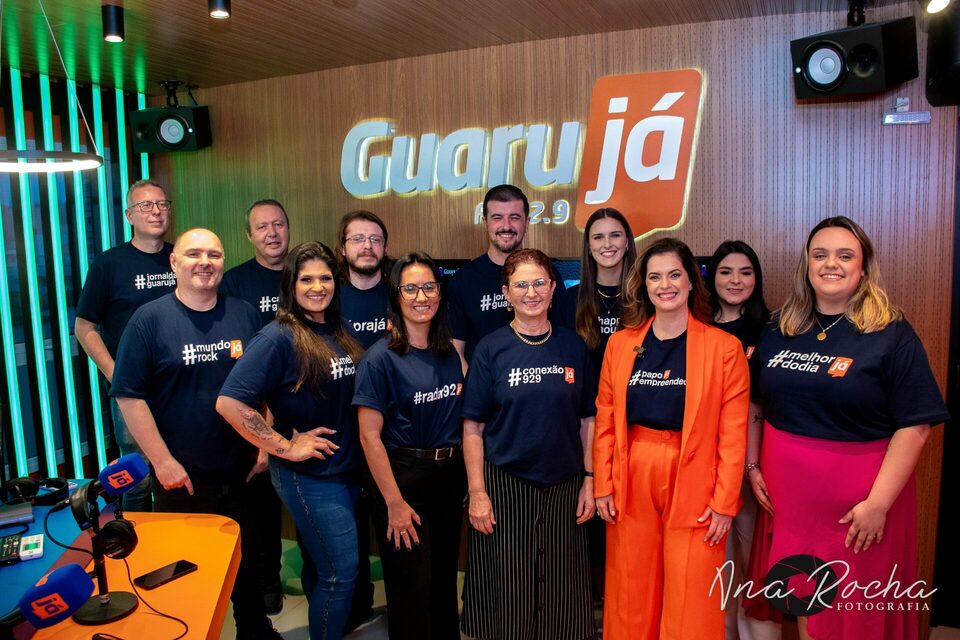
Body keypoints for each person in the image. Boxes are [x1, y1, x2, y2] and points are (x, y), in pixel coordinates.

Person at [747, 217, 948, 640]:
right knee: (807, 605)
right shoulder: (781, 327)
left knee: (857, 614)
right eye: (820, 255)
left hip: (860, 512)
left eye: (844, 255)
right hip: (792, 507)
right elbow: (757, 404)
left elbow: (916, 426)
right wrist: (752, 466)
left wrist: (877, 505)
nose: (830, 264)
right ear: (807, 264)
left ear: (863, 267)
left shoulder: (891, 333)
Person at [111, 228, 280, 640]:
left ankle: (255, 630)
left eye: (214, 254)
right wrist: (162, 462)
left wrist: (266, 443)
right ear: (174, 263)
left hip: (244, 471)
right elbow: (129, 397)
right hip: (182, 478)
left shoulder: (243, 313)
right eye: (194, 253)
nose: (205, 262)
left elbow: (268, 384)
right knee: (183, 575)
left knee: (248, 561)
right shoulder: (149, 320)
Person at [594, 237, 750, 640]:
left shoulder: (724, 349)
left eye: (674, 275)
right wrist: (602, 483)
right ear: (643, 285)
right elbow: (607, 418)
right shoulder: (621, 344)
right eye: (655, 277)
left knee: (692, 594)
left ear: (692, 282)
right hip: (632, 472)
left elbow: (733, 434)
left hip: (696, 477)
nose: (665, 285)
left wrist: (724, 503)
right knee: (631, 589)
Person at [217, 241, 365, 640]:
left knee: (322, 568)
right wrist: (284, 446)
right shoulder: (278, 336)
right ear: (291, 285)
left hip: (345, 471)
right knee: (341, 573)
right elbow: (230, 402)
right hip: (310, 477)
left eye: (325, 277)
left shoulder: (335, 328)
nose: (318, 286)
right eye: (306, 279)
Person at [460, 248, 595, 640]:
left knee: (562, 582)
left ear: (554, 289)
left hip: (565, 484)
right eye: (521, 284)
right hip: (505, 484)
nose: (531, 292)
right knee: (510, 583)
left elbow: (588, 420)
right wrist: (477, 492)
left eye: (539, 283)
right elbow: (473, 427)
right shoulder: (490, 349)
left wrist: (590, 479)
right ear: (506, 293)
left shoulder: (573, 347)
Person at [353, 252, 466, 640]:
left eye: (429, 287)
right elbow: (369, 438)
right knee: (410, 588)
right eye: (411, 288)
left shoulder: (450, 352)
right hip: (402, 483)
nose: (422, 296)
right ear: (396, 296)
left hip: (448, 481)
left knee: (442, 583)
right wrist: (394, 504)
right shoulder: (379, 359)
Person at [74, 179, 177, 512]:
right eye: (146, 206)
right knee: (137, 476)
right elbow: (84, 327)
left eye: (162, 204)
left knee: (176, 466)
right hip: (131, 389)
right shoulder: (109, 264)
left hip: (176, 383)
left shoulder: (181, 259)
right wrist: (116, 374)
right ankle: (133, 549)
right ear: (129, 215)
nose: (156, 212)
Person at [559, 207, 637, 606]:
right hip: (582, 426)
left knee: (624, 514)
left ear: (627, 242)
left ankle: (623, 602)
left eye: (614, 235)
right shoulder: (570, 300)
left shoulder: (647, 296)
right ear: (587, 247)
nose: (607, 245)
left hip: (633, 426)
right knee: (585, 514)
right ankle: (587, 603)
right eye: (598, 237)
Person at [220, 198, 292, 615]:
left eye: (278, 224)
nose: (271, 233)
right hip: (256, 407)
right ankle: (264, 580)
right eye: (262, 227)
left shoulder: (307, 274)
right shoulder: (233, 284)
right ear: (249, 235)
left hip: (303, 404)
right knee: (259, 500)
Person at [705, 240, 779, 640]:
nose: (735, 281)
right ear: (711, 277)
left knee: (752, 561)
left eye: (745, 272)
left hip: (754, 462)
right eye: (726, 272)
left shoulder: (772, 329)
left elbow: (767, 400)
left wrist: (752, 464)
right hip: (704, 460)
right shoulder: (694, 325)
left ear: (757, 279)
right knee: (717, 560)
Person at [335, 209, 391, 631]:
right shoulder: (327, 297)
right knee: (344, 535)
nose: (367, 246)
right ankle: (351, 610)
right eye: (358, 239)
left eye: (374, 239)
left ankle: (395, 607)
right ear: (343, 248)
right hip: (338, 430)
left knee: (390, 524)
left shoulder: (401, 292)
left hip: (394, 431)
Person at [448, 184, 564, 363]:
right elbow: (456, 351)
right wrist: (476, 387)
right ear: (485, 222)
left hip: (541, 380)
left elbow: (561, 337)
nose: (506, 226)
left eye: (514, 217)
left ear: (527, 221)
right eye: (497, 217)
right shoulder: (463, 280)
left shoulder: (548, 274)